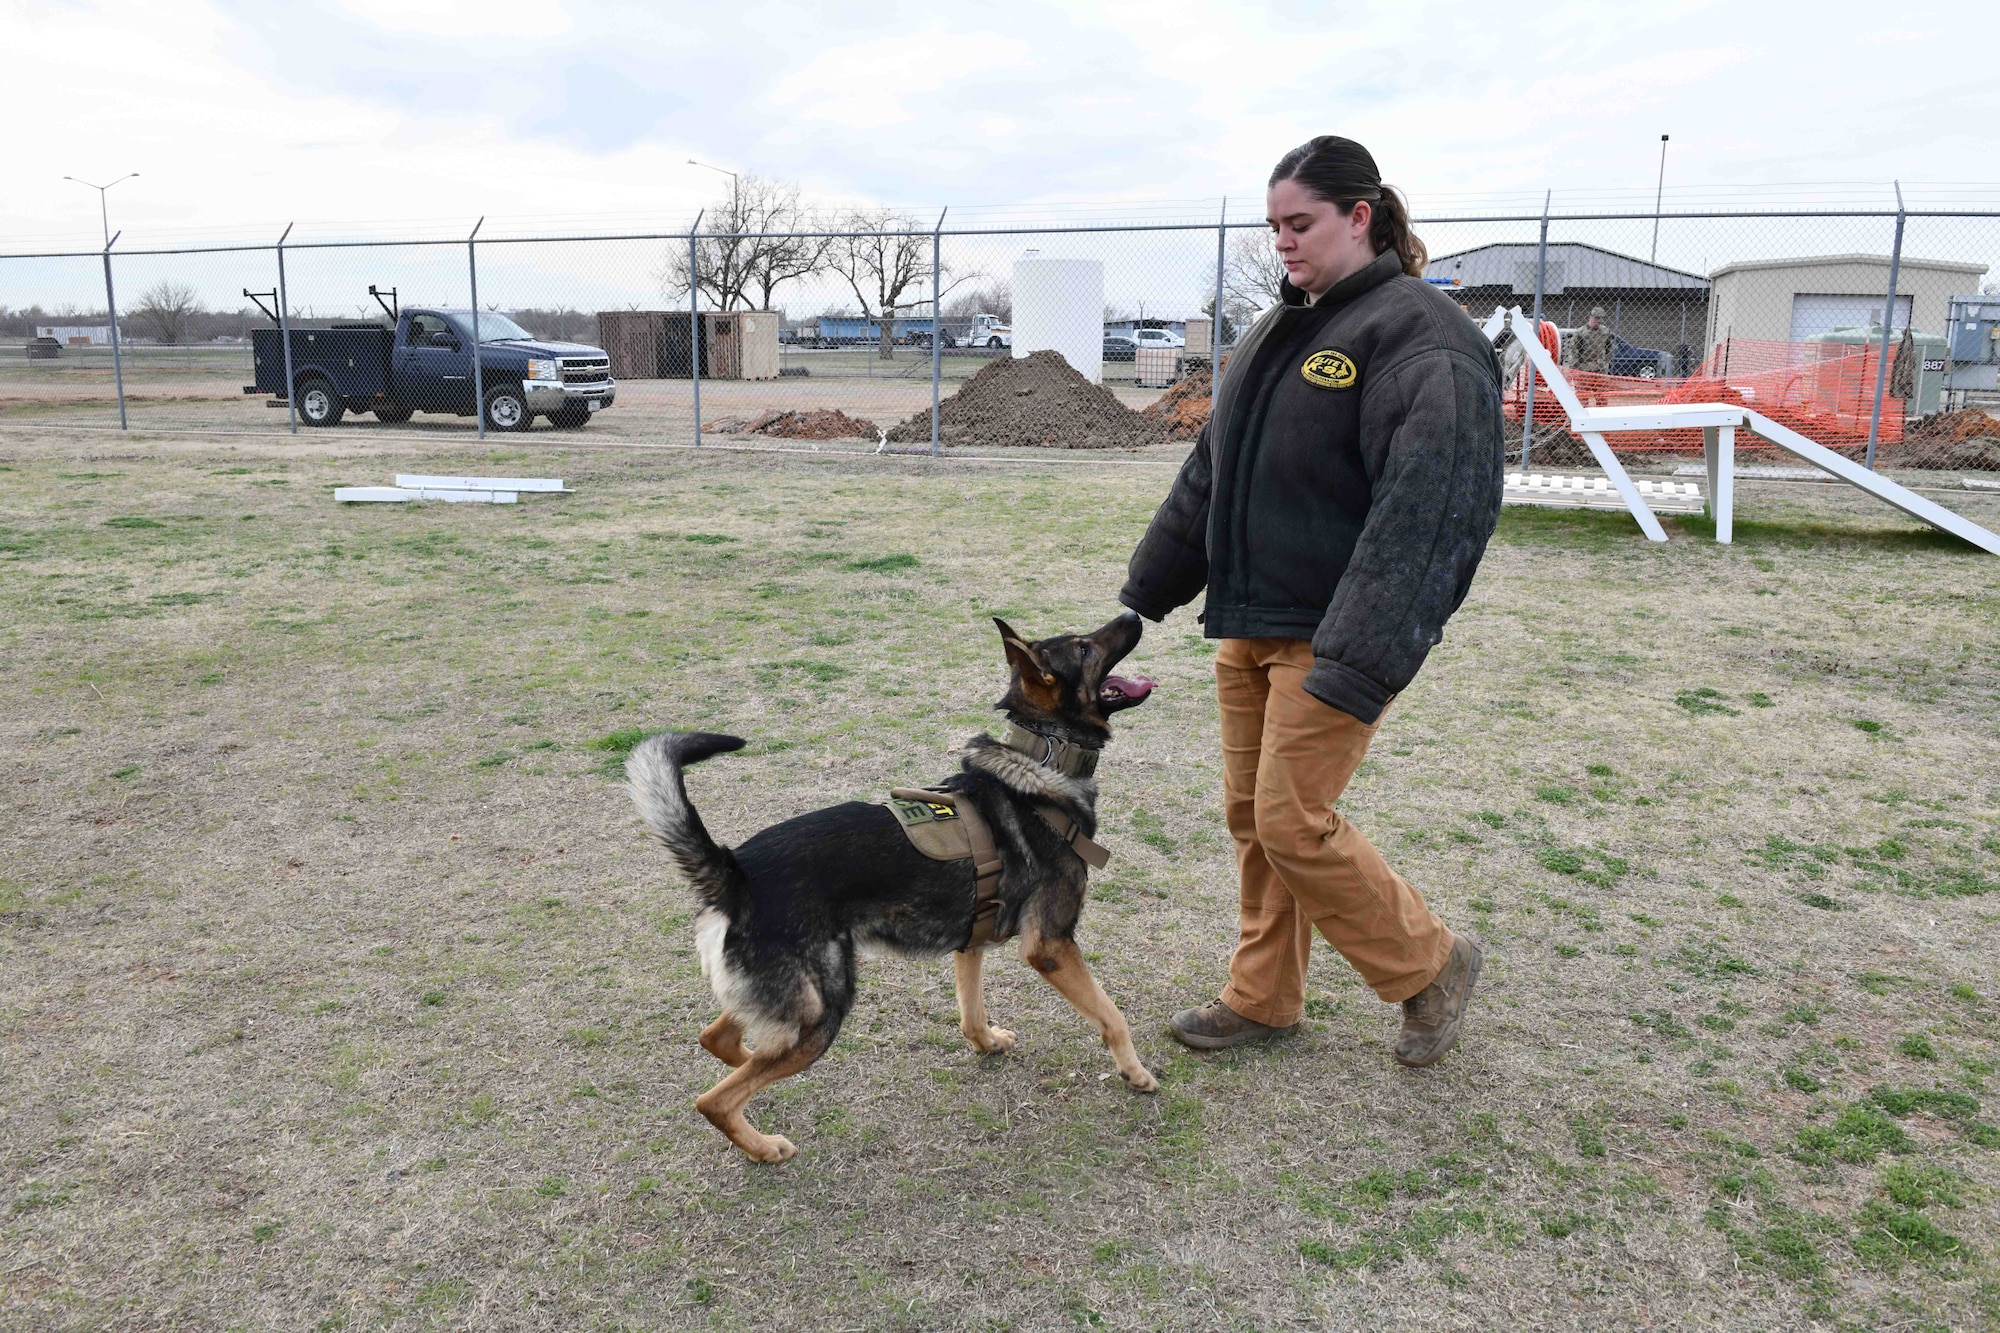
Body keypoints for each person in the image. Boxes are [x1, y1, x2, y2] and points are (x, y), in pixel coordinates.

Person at [1120, 135, 1504, 1068]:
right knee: (1255, 820)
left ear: (1359, 216)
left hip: (1328, 639)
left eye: (1301, 224)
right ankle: (1263, 998)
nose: (1284, 243)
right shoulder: (1274, 329)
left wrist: (1361, 657)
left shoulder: (1424, 337)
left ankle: (1434, 964)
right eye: (1274, 226)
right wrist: (1142, 599)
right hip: (1248, 624)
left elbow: (1431, 511)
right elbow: (1213, 472)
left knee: (1294, 819)